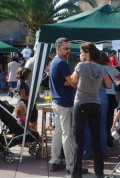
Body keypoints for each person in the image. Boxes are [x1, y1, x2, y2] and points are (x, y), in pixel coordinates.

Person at [70, 42, 110, 178]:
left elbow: (73, 80)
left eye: (82, 52)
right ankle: (99, 172)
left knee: (78, 140)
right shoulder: (101, 67)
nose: (80, 55)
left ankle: (76, 173)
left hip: (81, 103)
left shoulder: (81, 65)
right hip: (95, 104)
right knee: (96, 139)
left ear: (88, 53)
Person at [48, 37, 78, 174]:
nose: (69, 51)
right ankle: (71, 166)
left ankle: (55, 160)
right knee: (67, 135)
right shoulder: (62, 63)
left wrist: (70, 81)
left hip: (57, 101)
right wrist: (71, 80)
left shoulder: (55, 61)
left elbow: (70, 81)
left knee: (59, 133)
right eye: (66, 48)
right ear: (58, 48)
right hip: (64, 102)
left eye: (70, 48)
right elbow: (73, 82)